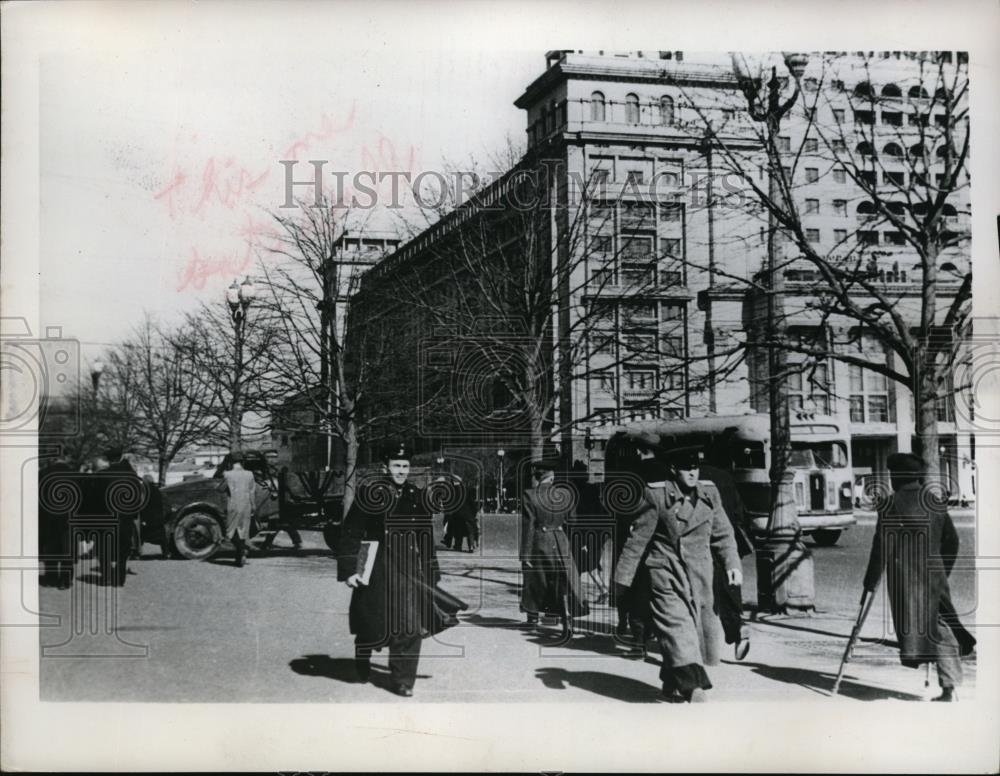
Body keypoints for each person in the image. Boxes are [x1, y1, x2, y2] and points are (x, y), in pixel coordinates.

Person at [614, 446, 741, 702]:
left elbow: (724, 534)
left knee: (694, 630)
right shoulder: (656, 496)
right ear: (674, 470)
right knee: (678, 628)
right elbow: (637, 541)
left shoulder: (710, 493)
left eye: (695, 467)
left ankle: (671, 682)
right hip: (665, 571)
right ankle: (693, 686)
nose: (692, 473)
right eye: (686, 468)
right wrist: (622, 580)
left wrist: (732, 565)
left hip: (700, 574)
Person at [862, 452, 976, 702]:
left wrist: (870, 583)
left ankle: (949, 687)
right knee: (940, 625)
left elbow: (881, 546)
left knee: (929, 627)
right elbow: (952, 541)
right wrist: (941, 570)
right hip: (935, 576)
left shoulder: (891, 504)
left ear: (898, 477)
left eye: (892, 475)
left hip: (907, 579)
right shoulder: (933, 501)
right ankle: (949, 686)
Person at [336, 443, 443, 697]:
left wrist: (431, 571)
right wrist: (350, 569)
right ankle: (363, 651)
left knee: (410, 623)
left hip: (406, 567)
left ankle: (403, 680)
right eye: (396, 466)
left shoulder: (416, 496)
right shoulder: (369, 492)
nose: (401, 471)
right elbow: (351, 531)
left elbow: (425, 536)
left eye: (405, 466)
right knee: (370, 619)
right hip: (375, 563)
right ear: (386, 467)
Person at [519, 456, 590, 638]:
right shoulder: (566, 495)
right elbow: (573, 522)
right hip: (561, 539)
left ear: (538, 476)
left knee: (536, 579)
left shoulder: (530, 495)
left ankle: (533, 617)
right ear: (552, 477)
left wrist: (525, 555)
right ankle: (566, 617)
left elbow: (528, 527)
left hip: (540, 539)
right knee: (564, 579)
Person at [698, 461, 753, 661]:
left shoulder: (688, 478)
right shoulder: (724, 476)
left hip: (703, 541)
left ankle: (703, 643)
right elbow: (740, 513)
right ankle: (737, 626)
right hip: (727, 539)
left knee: (707, 593)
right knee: (729, 584)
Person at [38, 456, 75, 589]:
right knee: (67, 549)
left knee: (50, 548)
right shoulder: (74, 474)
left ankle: (51, 577)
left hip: (48, 517)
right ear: (66, 457)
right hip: (68, 518)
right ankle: (65, 580)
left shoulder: (43, 474)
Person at [218, 453, 257, 567]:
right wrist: (253, 505)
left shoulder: (227, 474)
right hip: (246, 505)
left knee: (231, 530)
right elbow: (252, 492)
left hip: (233, 505)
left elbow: (220, 489)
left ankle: (240, 550)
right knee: (244, 530)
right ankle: (242, 551)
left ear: (230, 463)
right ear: (243, 462)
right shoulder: (249, 474)